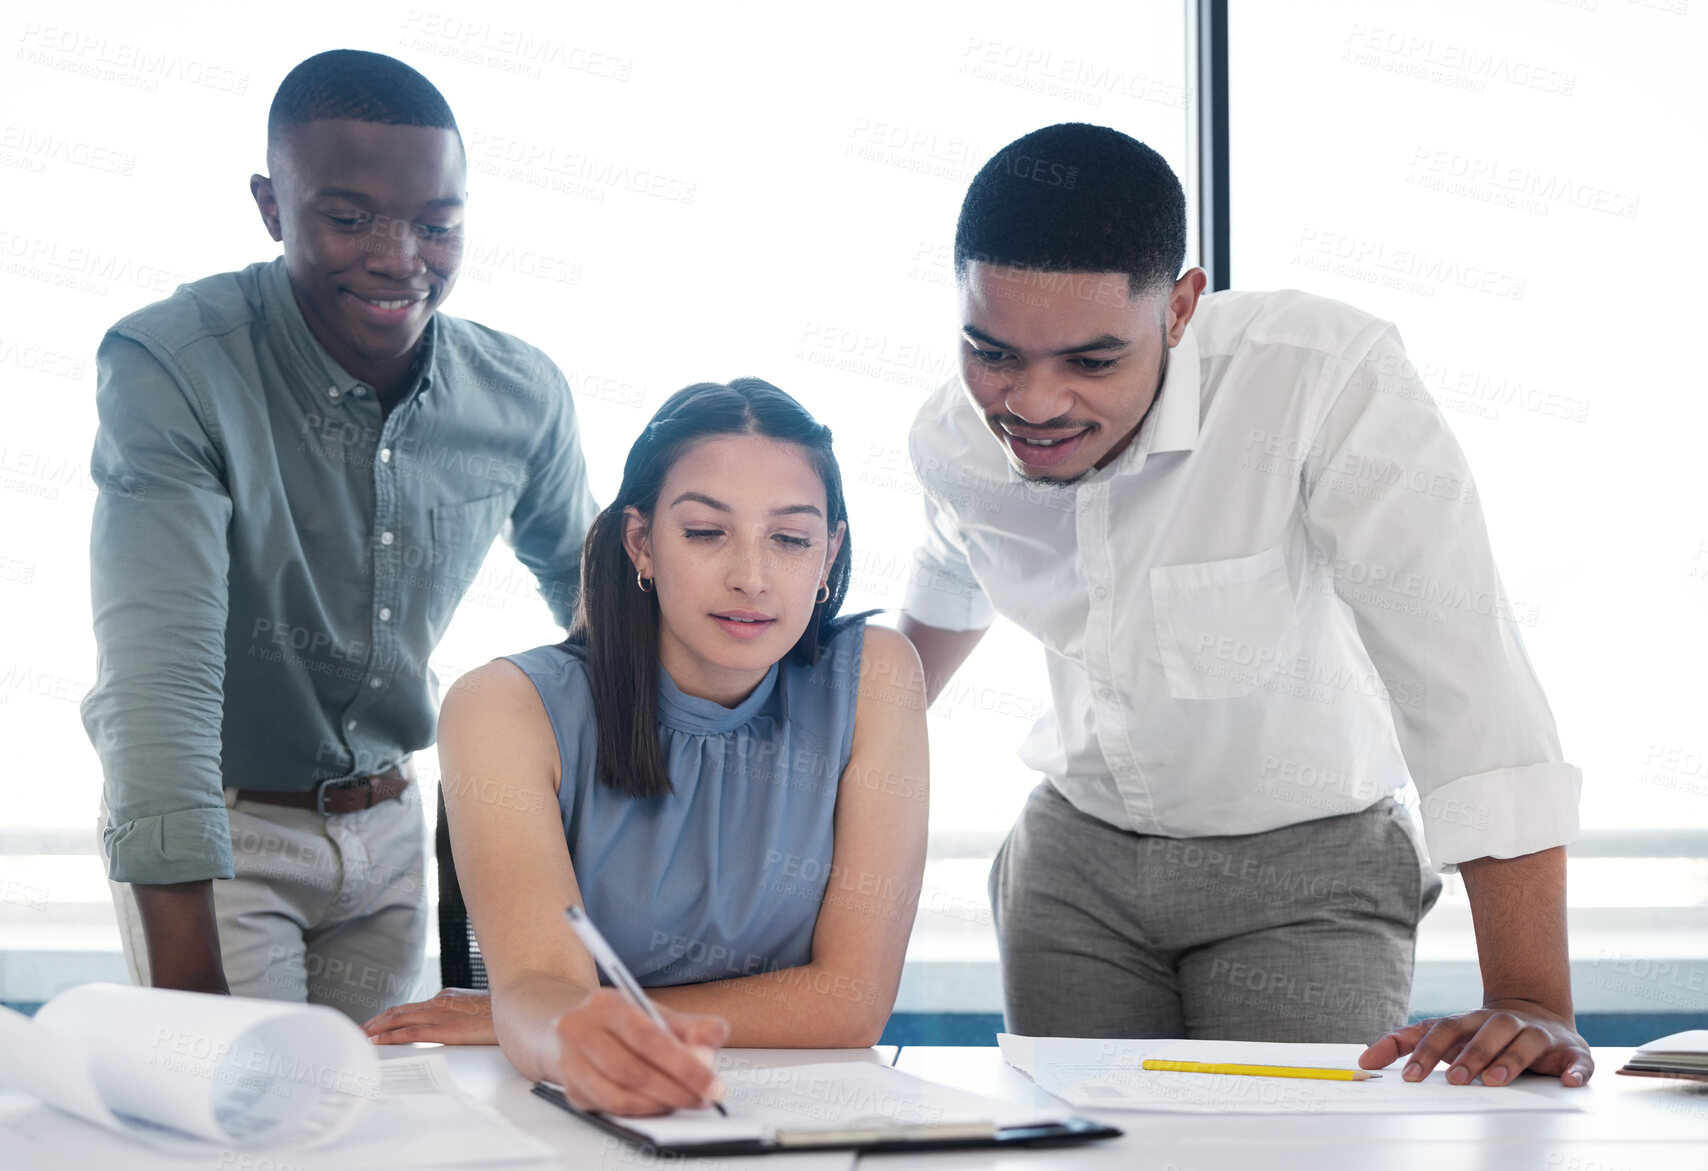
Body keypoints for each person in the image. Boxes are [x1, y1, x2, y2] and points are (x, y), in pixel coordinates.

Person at [896, 123, 1592, 1088]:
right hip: (1072, 868)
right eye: (992, 351)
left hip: (1306, 871)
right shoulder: (953, 438)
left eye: (1092, 362)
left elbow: (1460, 672)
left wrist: (1533, 997)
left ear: (1181, 307)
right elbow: (939, 594)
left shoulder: (1319, 377)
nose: (1034, 403)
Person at [81, 50, 597, 1023]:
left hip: (391, 826)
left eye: (438, 227)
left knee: (373, 1126)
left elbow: (595, 610)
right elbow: (160, 679)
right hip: (225, 838)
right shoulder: (172, 366)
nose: (401, 257)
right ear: (273, 207)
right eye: (350, 217)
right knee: (246, 1125)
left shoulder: (522, 395)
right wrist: (192, 1005)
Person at [365, 379, 929, 1115]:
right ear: (642, 541)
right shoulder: (502, 705)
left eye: (790, 539)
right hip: (576, 1107)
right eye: (704, 532)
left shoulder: (876, 675)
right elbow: (539, 984)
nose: (751, 577)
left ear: (829, 556)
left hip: (799, 1110)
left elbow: (851, 1004)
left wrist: (542, 1019)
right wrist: (544, 1020)